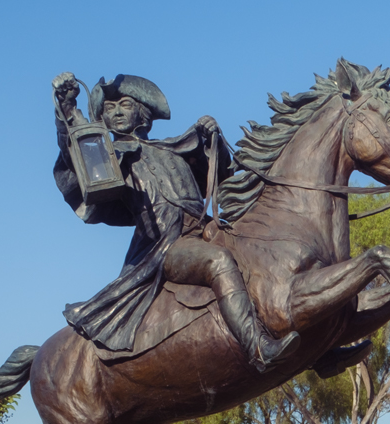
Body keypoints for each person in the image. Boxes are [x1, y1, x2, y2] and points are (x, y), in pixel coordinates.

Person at [51, 72, 298, 371]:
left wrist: (212, 138)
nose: (115, 112)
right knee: (218, 260)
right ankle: (257, 347)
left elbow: (219, 175)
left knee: (261, 248)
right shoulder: (107, 156)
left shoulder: (173, 147)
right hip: (165, 245)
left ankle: (314, 345)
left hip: (204, 227)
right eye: (109, 108)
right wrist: (67, 108)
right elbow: (73, 150)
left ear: (142, 112)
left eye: (124, 105)